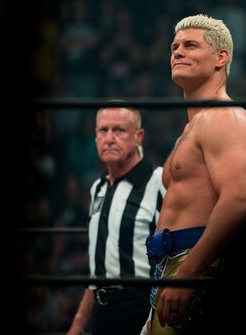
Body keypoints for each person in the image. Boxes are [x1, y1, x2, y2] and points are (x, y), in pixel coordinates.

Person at [142, 14, 246, 334]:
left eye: (190, 45)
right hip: (173, 264)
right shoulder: (194, 126)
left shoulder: (225, 116)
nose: (178, 52)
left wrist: (188, 274)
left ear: (220, 58)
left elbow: (238, 201)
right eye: (175, 47)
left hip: (195, 265)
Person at [67, 106, 166, 335]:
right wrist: (79, 323)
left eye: (119, 130)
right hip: (101, 313)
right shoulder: (98, 188)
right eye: (103, 130)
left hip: (142, 308)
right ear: (95, 137)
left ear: (138, 136)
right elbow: (97, 270)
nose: (109, 138)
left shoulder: (159, 182)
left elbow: (175, 255)